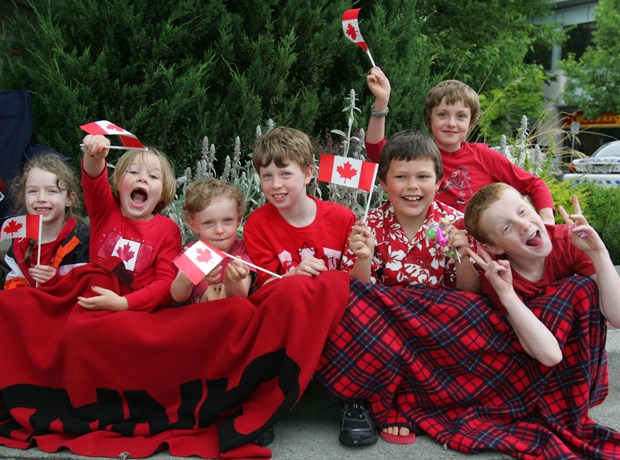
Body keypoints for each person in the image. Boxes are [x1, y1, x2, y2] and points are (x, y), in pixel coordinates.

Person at [341, 130, 479, 444]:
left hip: (436, 324)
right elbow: (358, 294)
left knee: (476, 313)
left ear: (439, 181)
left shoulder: (454, 224)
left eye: (422, 177)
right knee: (350, 305)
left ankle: (417, 403)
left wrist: (463, 258)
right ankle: (371, 400)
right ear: (383, 184)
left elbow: (470, 296)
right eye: (401, 177)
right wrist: (363, 258)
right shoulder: (368, 225)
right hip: (386, 326)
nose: (412, 186)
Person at [242, 126, 374, 447]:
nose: (275, 185)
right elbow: (267, 289)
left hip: (337, 320)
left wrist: (363, 256)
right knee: (292, 292)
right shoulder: (258, 224)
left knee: (340, 287)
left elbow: (356, 286)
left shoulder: (342, 218)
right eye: (267, 176)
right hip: (292, 320)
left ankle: (353, 399)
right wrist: (294, 276)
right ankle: (267, 402)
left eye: (285, 174)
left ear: (309, 173)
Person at [364, 68, 555, 224]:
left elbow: (535, 185)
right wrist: (382, 102)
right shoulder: (419, 154)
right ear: (429, 118)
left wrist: (547, 221)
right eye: (442, 115)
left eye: (461, 116)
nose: (451, 123)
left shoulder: (483, 156)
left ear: (471, 121)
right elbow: (376, 150)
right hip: (431, 247)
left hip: (477, 247)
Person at [464, 182, 620, 366]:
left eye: (522, 211)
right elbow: (550, 356)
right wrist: (507, 294)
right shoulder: (498, 278)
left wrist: (598, 253)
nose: (523, 225)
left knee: (583, 288)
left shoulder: (569, 241)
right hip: (531, 369)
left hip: (582, 357)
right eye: (506, 228)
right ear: (494, 248)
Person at [78, 134, 181, 312]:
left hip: (136, 311)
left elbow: (165, 285)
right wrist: (94, 155)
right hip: (94, 303)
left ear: (163, 194)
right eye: (133, 172)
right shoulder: (105, 210)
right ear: (118, 183)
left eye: (153, 176)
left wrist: (123, 304)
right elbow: (93, 181)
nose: (142, 178)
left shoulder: (168, 230)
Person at [3, 151, 89, 289]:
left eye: (52, 191)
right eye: (32, 191)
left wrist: (55, 281)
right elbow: (14, 281)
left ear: (69, 199)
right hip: (30, 306)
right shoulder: (19, 239)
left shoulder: (81, 240)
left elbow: (85, 287)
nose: (41, 198)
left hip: (66, 307)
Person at [170, 178, 253, 304]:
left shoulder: (242, 250)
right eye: (208, 223)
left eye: (227, 220)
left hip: (231, 317)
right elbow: (177, 296)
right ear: (193, 225)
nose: (219, 230)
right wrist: (190, 275)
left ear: (239, 220)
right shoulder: (193, 252)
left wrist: (233, 281)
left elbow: (240, 298)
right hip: (199, 319)